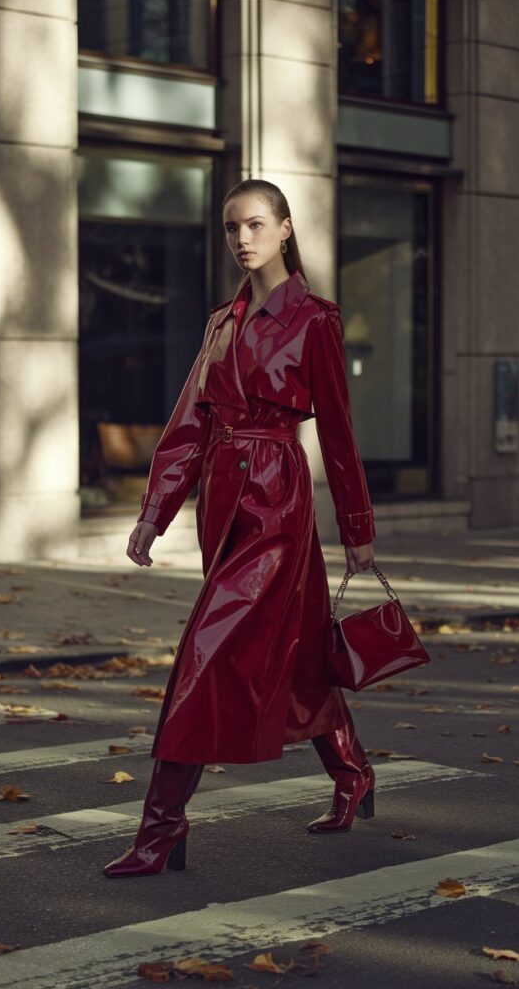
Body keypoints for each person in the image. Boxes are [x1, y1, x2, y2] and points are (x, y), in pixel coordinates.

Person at [104, 179, 376, 878]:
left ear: (286, 229)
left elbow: (340, 434)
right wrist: (153, 513)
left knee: (206, 655)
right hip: (224, 501)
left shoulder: (317, 319)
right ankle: (352, 774)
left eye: (256, 224)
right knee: (298, 653)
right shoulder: (221, 320)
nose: (243, 239)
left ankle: (161, 827)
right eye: (231, 228)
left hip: (277, 504)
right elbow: (190, 422)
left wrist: (356, 525)